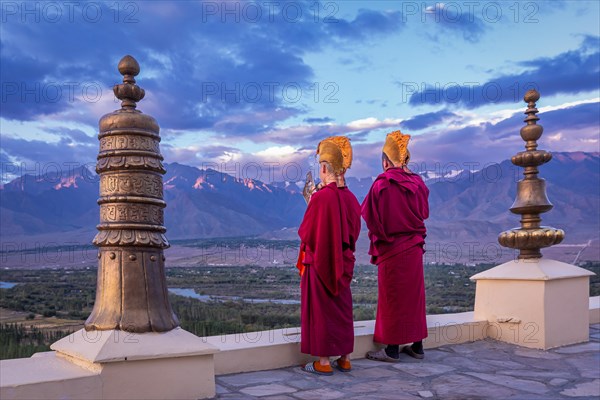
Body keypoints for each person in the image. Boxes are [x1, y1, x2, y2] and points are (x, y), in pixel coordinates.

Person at [361, 130, 429, 362]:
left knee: (392, 298)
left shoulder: (382, 184)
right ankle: (418, 346)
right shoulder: (419, 184)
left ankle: (391, 349)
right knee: (414, 297)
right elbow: (424, 213)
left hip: (391, 248)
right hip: (414, 247)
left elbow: (370, 216)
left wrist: (381, 237)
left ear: (384, 162)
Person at [296, 136, 361, 375]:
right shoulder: (352, 199)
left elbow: (307, 233)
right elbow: (353, 232)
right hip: (343, 263)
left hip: (320, 262)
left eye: (320, 167)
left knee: (322, 311)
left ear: (324, 168)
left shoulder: (321, 198)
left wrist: (311, 202)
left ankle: (323, 362)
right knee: (341, 309)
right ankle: (345, 358)